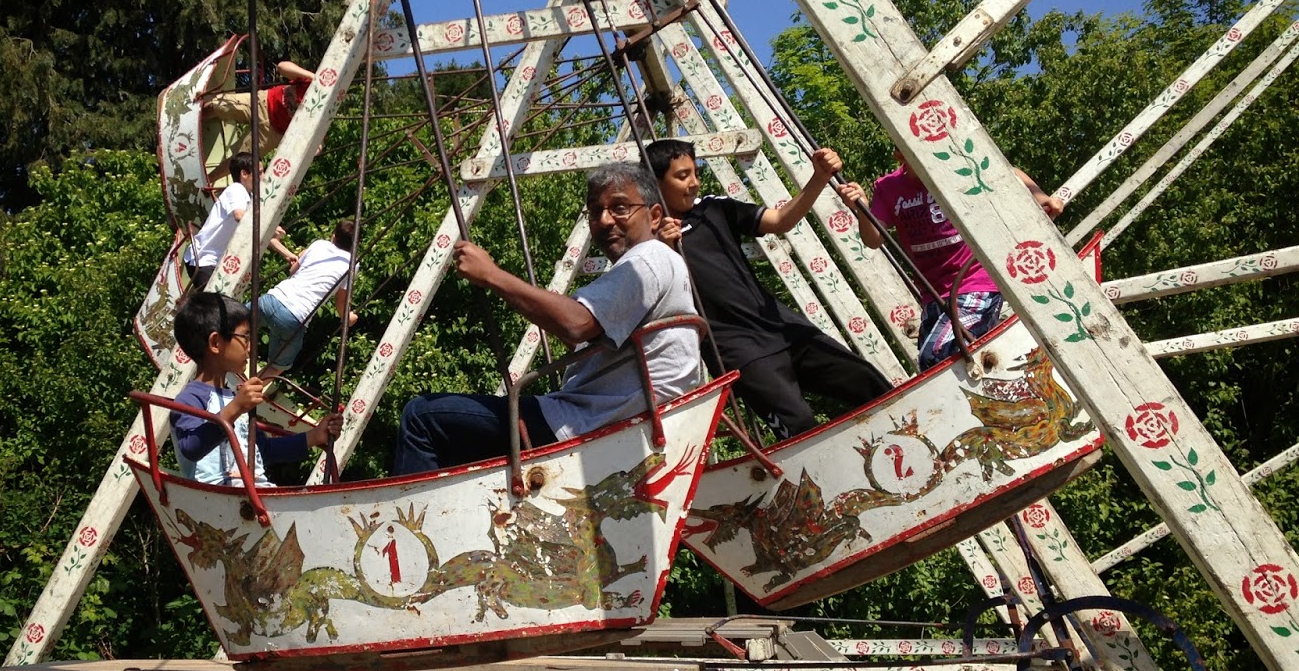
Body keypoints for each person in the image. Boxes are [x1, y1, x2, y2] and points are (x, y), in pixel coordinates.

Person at [393, 164, 703, 476]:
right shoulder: (660, 265)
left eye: (620, 207)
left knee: (422, 417)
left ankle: (412, 506)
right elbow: (583, 336)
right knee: (461, 444)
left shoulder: (647, 259)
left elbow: (578, 324)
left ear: (654, 216)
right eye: (595, 211)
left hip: (589, 420)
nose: (605, 220)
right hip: (622, 418)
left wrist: (491, 275)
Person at [648, 138, 891, 439]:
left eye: (695, 172)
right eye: (683, 176)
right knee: (799, 425)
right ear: (655, 182)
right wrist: (663, 248)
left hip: (780, 326)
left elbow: (780, 220)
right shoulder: (648, 241)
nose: (695, 182)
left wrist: (819, 177)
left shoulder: (715, 209)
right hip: (737, 349)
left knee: (868, 382)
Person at [839, 148, 1064, 369]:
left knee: (935, 355)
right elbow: (873, 239)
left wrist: (1040, 197)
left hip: (976, 282)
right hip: (934, 295)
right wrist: (862, 209)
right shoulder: (888, 187)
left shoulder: (953, 167)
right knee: (934, 365)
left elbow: (1008, 172)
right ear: (899, 155)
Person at [171, 293, 340, 486]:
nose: (251, 348)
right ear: (216, 343)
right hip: (217, 493)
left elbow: (263, 450)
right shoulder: (190, 399)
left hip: (253, 491)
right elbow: (191, 447)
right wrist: (236, 408)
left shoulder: (235, 398)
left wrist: (314, 436)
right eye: (245, 337)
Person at [252, 220, 361, 380]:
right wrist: (348, 317)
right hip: (295, 317)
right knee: (277, 366)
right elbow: (341, 302)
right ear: (355, 245)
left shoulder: (319, 244)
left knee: (236, 325)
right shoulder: (352, 264)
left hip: (273, 298)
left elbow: (292, 270)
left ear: (333, 236)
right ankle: (246, 390)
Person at [187, 152, 300, 290]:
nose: (263, 177)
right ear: (244, 174)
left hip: (214, 262)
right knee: (216, 303)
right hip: (204, 260)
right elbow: (239, 216)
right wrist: (270, 226)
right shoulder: (236, 189)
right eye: (259, 172)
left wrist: (288, 255)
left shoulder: (249, 197)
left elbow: (263, 233)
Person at [201, 59, 315, 184]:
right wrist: (313, 77)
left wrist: (313, 146)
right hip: (263, 102)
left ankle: (205, 182)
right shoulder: (310, 82)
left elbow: (316, 145)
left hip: (272, 133)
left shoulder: (322, 112)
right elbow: (282, 66)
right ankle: (194, 119)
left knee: (239, 160)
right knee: (220, 104)